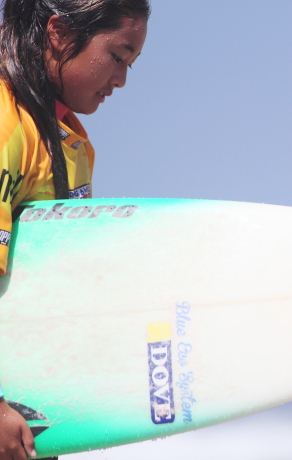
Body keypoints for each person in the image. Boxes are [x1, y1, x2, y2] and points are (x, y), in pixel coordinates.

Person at [0, 0, 149, 459]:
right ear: (60, 33)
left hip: (23, 406)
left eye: (129, 64)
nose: (121, 80)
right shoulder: (6, 125)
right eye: (118, 56)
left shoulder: (70, 141)